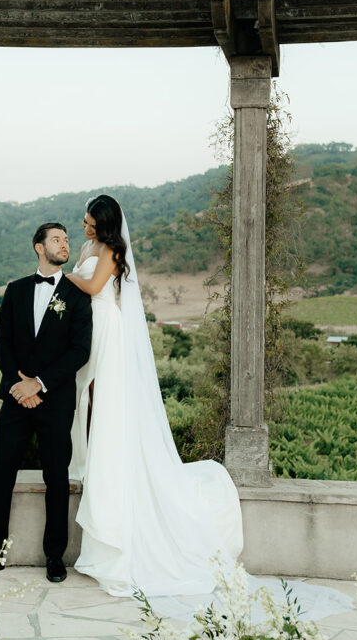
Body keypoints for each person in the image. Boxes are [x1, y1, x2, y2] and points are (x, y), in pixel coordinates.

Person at [66, 194, 244, 599]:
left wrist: (60, 276)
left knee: (105, 403)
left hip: (107, 328)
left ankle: (109, 474)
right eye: (83, 220)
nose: (84, 225)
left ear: (104, 222)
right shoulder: (85, 248)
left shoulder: (111, 249)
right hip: (86, 327)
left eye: (90, 220)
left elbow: (94, 286)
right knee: (85, 401)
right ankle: (88, 461)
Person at [0, 222, 92, 585]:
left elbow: (80, 351)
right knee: (2, 473)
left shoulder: (77, 295)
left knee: (57, 478)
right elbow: (1, 340)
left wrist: (41, 384)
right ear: (39, 247)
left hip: (55, 401)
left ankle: (55, 556)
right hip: (17, 398)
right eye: (56, 239)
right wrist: (20, 385)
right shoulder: (16, 290)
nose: (64, 245)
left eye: (67, 240)